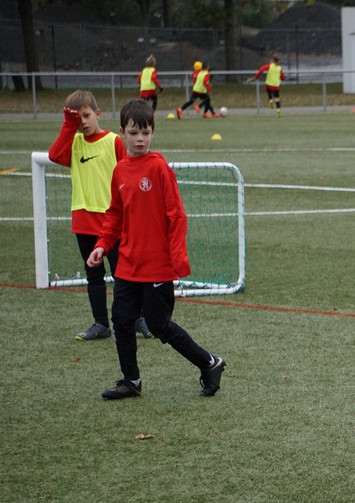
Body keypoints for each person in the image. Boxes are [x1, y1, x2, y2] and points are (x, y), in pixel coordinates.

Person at [87, 99, 226, 400]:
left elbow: (177, 215)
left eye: (146, 133)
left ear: (152, 133)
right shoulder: (120, 171)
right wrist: (102, 245)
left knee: (158, 325)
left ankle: (210, 363)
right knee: (121, 319)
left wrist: (177, 258)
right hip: (128, 264)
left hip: (157, 266)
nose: (140, 139)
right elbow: (114, 215)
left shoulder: (159, 167)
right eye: (134, 132)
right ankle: (131, 381)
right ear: (122, 132)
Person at [47, 90, 152, 342]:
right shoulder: (74, 142)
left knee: (123, 274)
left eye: (86, 115)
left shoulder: (113, 141)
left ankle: (137, 318)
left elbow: (128, 172)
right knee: (93, 275)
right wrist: (68, 126)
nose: (82, 122)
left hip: (112, 222)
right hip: (83, 221)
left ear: (97, 113)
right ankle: (101, 323)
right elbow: (54, 155)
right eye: (77, 118)